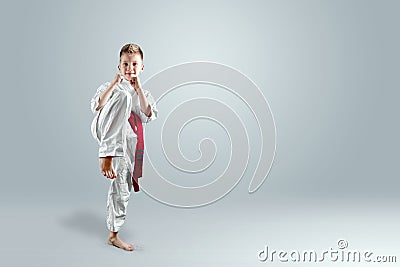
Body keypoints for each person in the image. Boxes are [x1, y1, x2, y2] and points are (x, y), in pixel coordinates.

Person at [90, 43, 158, 251]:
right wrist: (113, 84)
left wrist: (138, 89)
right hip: (104, 132)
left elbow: (148, 115)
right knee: (123, 95)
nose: (130, 68)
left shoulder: (142, 92)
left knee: (121, 188)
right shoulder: (112, 88)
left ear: (142, 67)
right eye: (126, 64)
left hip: (124, 145)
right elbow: (96, 106)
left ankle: (113, 234)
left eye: (134, 64)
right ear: (119, 67)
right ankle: (105, 155)